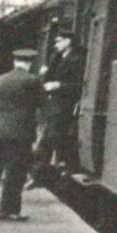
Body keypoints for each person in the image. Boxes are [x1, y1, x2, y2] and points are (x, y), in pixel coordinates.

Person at [0, 48, 44, 221]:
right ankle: (8, 211)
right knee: (15, 172)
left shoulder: (1, 79)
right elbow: (41, 102)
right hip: (20, 133)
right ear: (29, 63)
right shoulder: (32, 80)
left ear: (14, 62)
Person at [32, 31, 83, 184]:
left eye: (59, 41)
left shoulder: (77, 59)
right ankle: (44, 174)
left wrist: (59, 85)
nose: (56, 44)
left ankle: (41, 175)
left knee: (50, 139)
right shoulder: (58, 57)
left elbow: (79, 85)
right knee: (49, 139)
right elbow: (47, 75)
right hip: (53, 104)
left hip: (65, 105)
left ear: (68, 41)